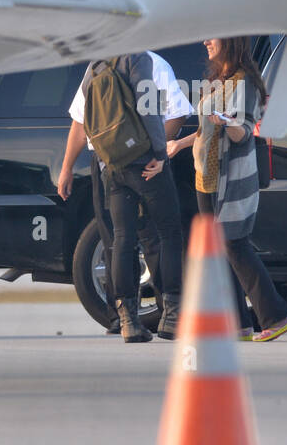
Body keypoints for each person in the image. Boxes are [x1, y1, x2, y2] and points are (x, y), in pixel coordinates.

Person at [167, 37, 287, 342]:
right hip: (206, 180)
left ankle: (277, 316)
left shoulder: (245, 84)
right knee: (223, 250)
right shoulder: (219, 81)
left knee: (235, 246)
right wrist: (179, 145)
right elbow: (205, 128)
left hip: (228, 181)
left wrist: (228, 122)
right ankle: (238, 324)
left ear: (230, 42)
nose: (206, 41)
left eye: (213, 37)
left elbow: (243, 132)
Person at [58, 51, 190, 339]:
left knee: (121, 239)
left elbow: (81, 122)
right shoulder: (144, 60)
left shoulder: (95, 65)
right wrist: (159, 154)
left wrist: (66, 167)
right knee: (168, 233)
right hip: (144, 162)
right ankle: (172, 316)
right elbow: (150, 111)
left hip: (109, 165)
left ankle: (128, 320)